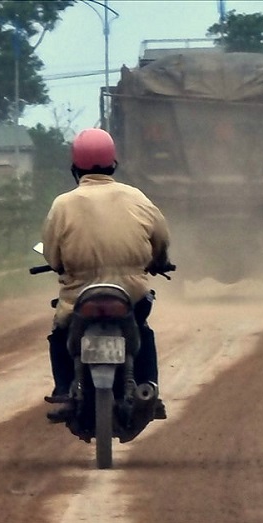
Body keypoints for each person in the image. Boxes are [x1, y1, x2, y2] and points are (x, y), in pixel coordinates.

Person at [41, 128, 171, 422]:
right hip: (130, 292)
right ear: (113, 163)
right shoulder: (137, 197)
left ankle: (64, 389)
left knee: (60, 334)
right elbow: (161, 237)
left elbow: (51, 254)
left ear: (75, 166)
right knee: (142, 330)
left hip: (79, 295)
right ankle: (149, 388)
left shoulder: (62, 204)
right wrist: (159, 261)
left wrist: (59, 265)